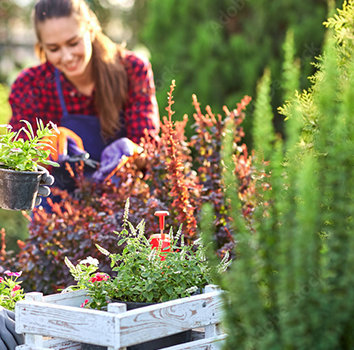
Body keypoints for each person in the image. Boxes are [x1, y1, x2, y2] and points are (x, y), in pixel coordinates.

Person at [9, 0, 160, 193]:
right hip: (57, 209)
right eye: (54, 49)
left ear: (90, 31)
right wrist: (43, 146)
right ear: (42, 48)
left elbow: (150, 152)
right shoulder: (30, 85)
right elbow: (17, 161)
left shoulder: (131, 70)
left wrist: (133, 151)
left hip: (120, 201)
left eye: (73, 43)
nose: (67, 56)